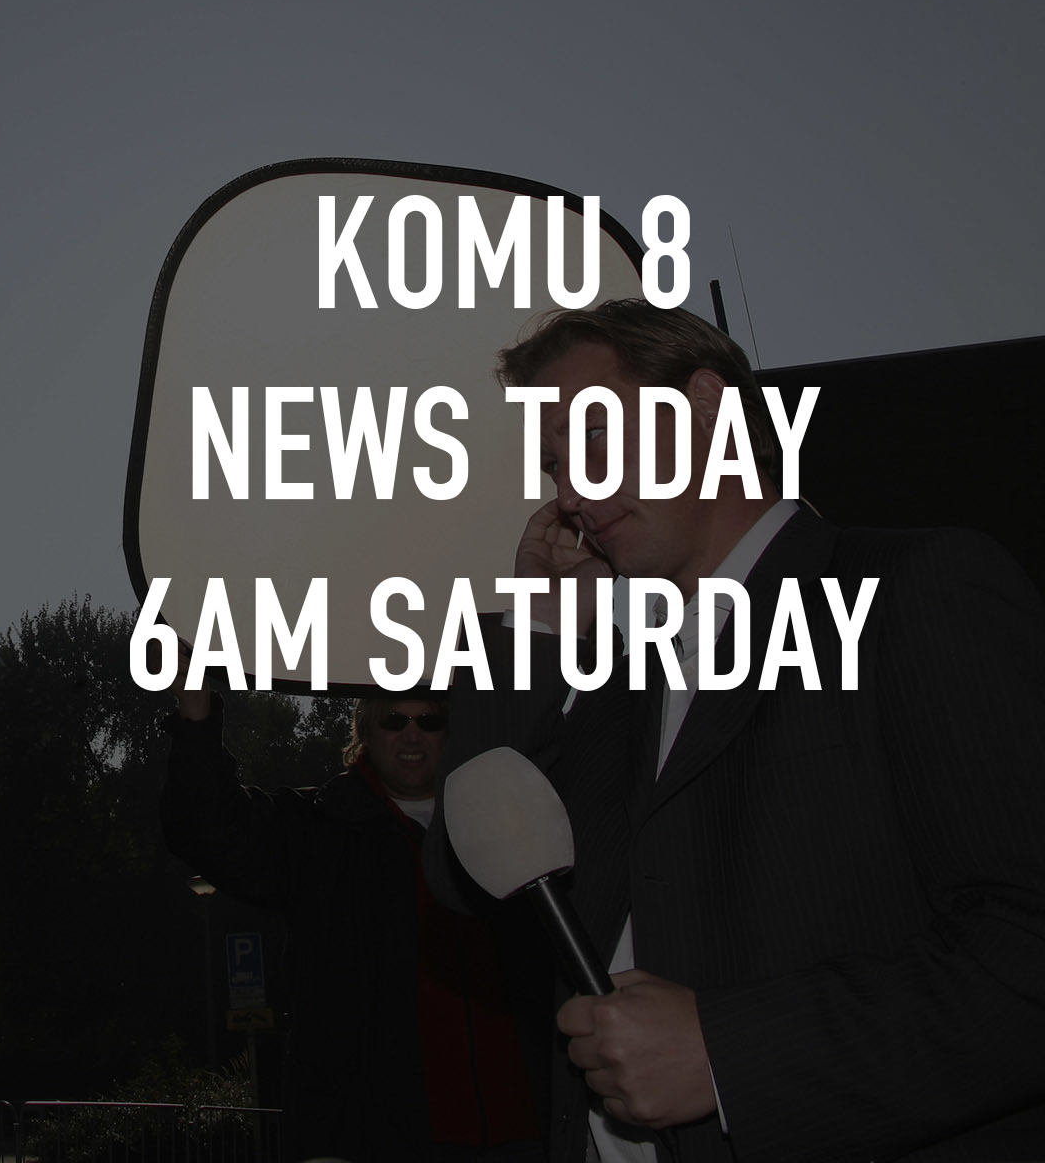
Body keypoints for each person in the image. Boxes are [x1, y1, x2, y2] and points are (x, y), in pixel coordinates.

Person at [424, 298, 1045, 1163]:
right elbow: (468, 878)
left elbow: (1025, 947)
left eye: (594, 439)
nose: (569, 496)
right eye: (555, 466)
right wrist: (537, 630)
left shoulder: (913, 588)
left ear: (708, 408)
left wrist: (728, 1056)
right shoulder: (618, 687)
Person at [161, 666, 548, 1163]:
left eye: (429, 721)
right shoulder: (319, 830)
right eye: (394, 720)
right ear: (366, 729)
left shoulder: (511, 824)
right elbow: (209, 829)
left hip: (522, 1131)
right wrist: (195, 710)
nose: (412, 736)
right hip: (373, 1138)